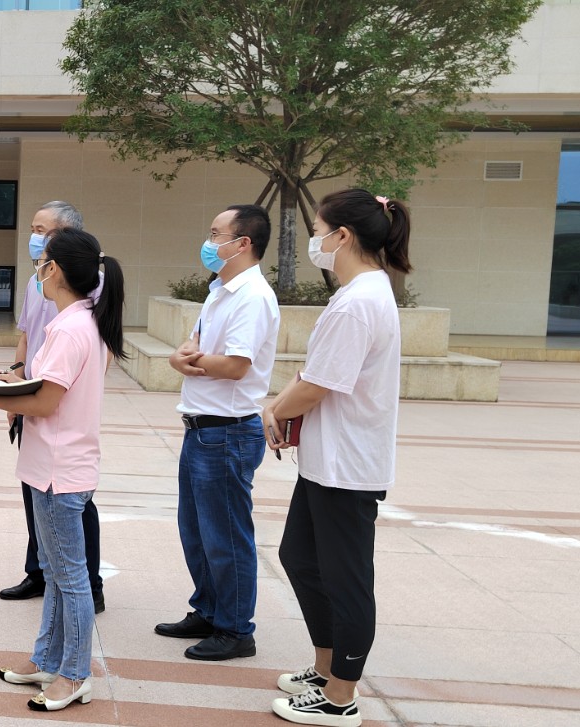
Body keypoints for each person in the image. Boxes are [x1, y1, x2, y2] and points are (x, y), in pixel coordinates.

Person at [0, 228, 127, 713]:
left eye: (42, 261)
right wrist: (11, 385)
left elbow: (48, 402)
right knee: (54, 572)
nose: (38, 270)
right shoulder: (79, 321)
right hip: (55, 465)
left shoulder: (72, 328)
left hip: (59, 470)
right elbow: (49, 389)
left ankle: (75, 674)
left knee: (70, 577)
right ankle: (48, 659)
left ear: (55, 269)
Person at [262, 189, 412, 727]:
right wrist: (280, 406)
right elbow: (316, 373)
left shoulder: (358, 302)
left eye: (318, 231)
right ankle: (326, 669)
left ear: (342, 236)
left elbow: (319, 383)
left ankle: (340, 696)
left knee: (345, 579)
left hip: (348, 466)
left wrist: (273, 411)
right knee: (301, 558)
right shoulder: (361, 294)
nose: (315, 242)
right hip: (330, 460)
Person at [158, 205, 279, 662]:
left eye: (216, 234)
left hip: (227, 433)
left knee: (226, 536)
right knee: (197, 531)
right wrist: (181, 358)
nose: (208, 243)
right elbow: (191, 348)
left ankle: (235, 629)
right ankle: (208, 609)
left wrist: (186, 360)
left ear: (242, 243)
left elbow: (235, 365)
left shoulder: (252, 296)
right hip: (202, 429)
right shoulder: (220, 291)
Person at [0, 201, 106, 615]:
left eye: (41, 230)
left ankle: (89, 583)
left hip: (59, 402)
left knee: (72, 501)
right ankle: (39, 571)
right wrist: (15, 384)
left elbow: (101, 347)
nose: (33, 237)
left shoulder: (91, 282)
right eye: (33, 228)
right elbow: (26, 336)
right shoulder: (35, 281)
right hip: (33, 395)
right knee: (35, 492)